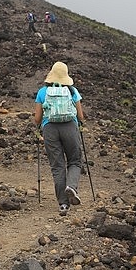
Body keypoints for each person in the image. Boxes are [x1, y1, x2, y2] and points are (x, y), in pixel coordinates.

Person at [33, 62, 85, 216]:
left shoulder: (43, 92)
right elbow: (80, 116)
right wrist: (81, 123)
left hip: (50, 130)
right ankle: (71, 187)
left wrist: (39, 125)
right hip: (70, 127)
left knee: (57, 166)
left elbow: (37, 119)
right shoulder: (72, 90)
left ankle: (63, 204)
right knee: (75, 161)